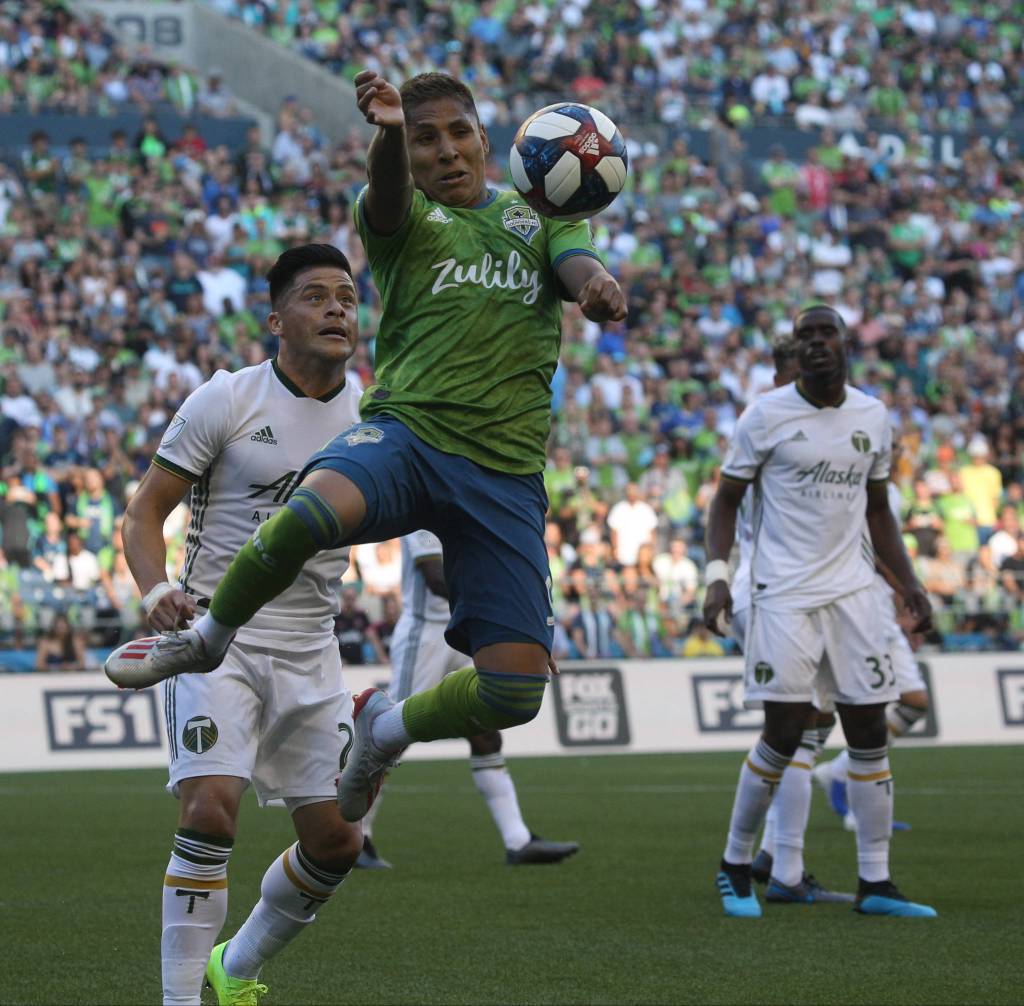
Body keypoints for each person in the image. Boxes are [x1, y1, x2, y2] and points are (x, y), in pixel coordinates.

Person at [107, 72, 626, 827]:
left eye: (456, 133)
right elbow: (383, 196)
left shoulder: (544, 215)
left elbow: (576, 266)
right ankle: (205, 641)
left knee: (513, 692)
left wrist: (600, 283)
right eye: (423, 140)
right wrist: (386, 137)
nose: (444, 151)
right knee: (309, 512)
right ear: (408, 157)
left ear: (487, 140)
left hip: (505, 472)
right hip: (409, 434)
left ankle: (386, 727)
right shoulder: (402, 220)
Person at [117, 245, 365, 1005]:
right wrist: (157, 588)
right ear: (275, 319)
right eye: (315, 296)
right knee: (209, 810)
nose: (335, 310)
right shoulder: (225, 399)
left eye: (347, 298)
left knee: (335, 843)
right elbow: (144, 512)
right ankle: (181, 997)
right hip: (214, 641)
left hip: (311, 650)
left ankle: (238, 968)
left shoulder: (377, 419)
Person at [703, 305, 936, 919]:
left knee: (866, 733)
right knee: (784, 733)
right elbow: (724, 502)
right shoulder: (765, 416)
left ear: (844, 342)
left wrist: (908, 584)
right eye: (804, 336)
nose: (814, 345)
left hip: (854, 596)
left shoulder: (872, 416)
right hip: (782, 593)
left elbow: (879, 510)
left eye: (823, 333)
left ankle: (876, 883)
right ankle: (734, 866)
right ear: (797, 352)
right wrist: (718, 578)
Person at [357, 530, 580, 869]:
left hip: (464, 629)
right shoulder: (426, 516)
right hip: (426, 635)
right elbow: (435, 578)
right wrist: (499, 601)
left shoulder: (468, 505)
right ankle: (356, 837)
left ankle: (517, 840)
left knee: (485, 728)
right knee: (389, 735)